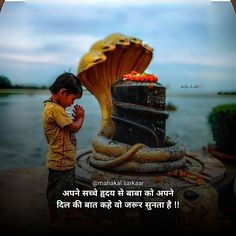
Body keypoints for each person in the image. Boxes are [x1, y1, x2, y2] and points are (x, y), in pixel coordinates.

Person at [43, 72, 85, 229]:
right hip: (59, 161)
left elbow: (66, 128)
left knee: (69, 188)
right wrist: (80, 118)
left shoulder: (53, 106)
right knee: (56, 191)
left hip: (65, 159)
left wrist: (73, 121)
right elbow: (73, 128)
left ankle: (69, 211)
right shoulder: (55, 110)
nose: (72, 103)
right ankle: (54, 219)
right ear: (63, 92)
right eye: (73, 99)